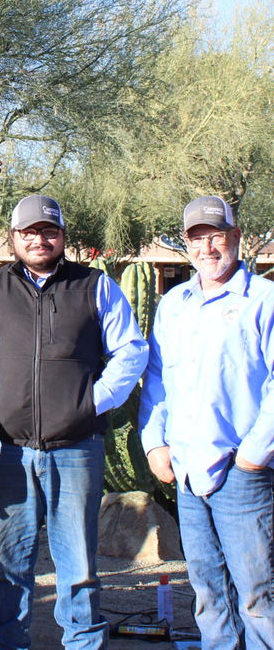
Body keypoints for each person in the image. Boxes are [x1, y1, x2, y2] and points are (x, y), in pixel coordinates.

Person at [0, 194, 148, 650]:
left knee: (78, 564)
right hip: (8, 450)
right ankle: (7, 644)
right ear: (13, 238)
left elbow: (131, 351)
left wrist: (93, 402)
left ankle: (83, 642)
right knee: (7, 564)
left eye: (49, 231)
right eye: (29, 232)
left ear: (63, 236)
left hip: (77, 448)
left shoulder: (95, 286)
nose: (39, 239)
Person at [139, 195, 274, 648]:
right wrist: (154, 442)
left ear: (236, 236)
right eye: (198, 238)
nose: (208, 247)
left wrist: (255, 456)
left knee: (258, 594)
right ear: (186, 245)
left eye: (217, 235)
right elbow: (156, 378)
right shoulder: (174, 304)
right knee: (207, 592)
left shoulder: (264, 300)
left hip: (243, 472)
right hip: (188, 471)